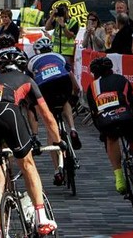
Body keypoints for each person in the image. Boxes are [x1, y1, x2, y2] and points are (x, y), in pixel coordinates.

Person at [0, 47, 62, 236]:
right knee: (27, 164)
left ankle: (1, 232)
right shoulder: (27, 80)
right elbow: (46, 116)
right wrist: (59, 142)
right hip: (7, 112)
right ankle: (41, 218)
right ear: (22, 68)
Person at [86, 56, 133, 210]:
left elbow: (94, 113)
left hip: (107, 121)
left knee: (111, 139)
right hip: (125, 117)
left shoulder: (92, 87)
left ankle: (119, 177)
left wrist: (102, 132)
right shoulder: (121, 80)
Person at [26, 37, 81, 186]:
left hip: (45, 86)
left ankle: (57, 170)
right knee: (65, 101)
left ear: (37, 50)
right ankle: (73, 128)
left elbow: (30, 85)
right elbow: (72, 79)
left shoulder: (32, 60)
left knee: (52, 126)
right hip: (62, 82)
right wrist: (76, 93)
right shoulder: (59, 56)